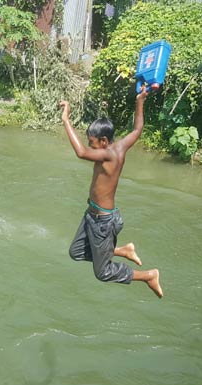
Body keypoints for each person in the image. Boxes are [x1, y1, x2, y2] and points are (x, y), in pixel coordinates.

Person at [60, 85, 163, 298]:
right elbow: (137, 130)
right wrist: (140, 100)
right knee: (76, 252)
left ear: (104, 141)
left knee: (103, 272)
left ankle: (148, 276)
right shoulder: (120, 146)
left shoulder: (107, 155)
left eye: (93, 143)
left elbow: (80, 152)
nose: (90, 147)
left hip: (103, 223)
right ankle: (123, 250)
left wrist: (66, 120)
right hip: (92, 215)